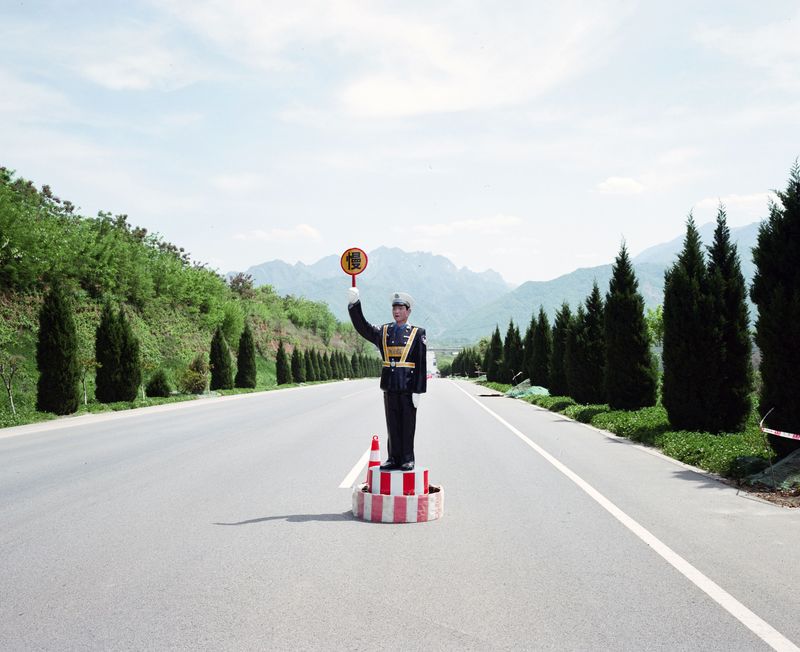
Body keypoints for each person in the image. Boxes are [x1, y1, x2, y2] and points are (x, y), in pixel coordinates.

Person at [348, 288, 427, 471]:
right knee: (392, 424)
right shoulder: (384, 331)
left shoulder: (417, 333)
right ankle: (393, 457)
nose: (397, 311)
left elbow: (421, 363)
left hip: (408, 387)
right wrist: (354, 305)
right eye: (394, 308)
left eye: (401, 308)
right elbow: (363, 327)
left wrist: (419, 390)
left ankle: (407, 457)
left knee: (407, 424)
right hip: (390, 385)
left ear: (408, 311)